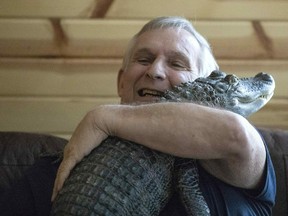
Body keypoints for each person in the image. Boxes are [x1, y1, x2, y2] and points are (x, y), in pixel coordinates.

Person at [51, 16, 276, 215]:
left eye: (177, 63)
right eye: (143, 60)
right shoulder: (57, 165)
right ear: (121, 82)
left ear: (207, 80)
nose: (155, 71)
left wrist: (102, 118)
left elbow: (233, 133)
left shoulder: (241, 154)